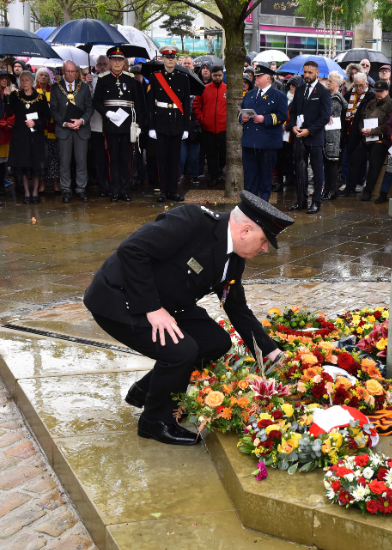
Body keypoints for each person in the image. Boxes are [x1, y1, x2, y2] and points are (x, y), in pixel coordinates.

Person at [83, 191, 294, 445]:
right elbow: (132, 250)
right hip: (121, 299)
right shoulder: (193, 221)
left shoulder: (235, 259)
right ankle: (155, 422)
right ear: (245, 230)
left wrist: (273, 354)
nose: (265, 248)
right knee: (182, 351)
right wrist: (153, 309)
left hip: (166, 303)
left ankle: (147, 389)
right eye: (263, 240)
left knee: (215, 342)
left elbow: (237, 308)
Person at [92, 46, 146, 202]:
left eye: (120, 60)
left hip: (128, 126)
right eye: (114, 60)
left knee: (126, 158)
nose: (117, 63)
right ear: (109, 61)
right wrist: (107, 113)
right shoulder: (103, 79)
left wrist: (139, 126)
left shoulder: (131, 80)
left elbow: (139, 105)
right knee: (113, 158)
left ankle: (125, 190)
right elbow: (96, 102)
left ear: (124, 62)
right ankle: (114, 190)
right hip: (110, 125)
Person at [340, 80, 392, 202]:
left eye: (381, 91)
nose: (378, 94)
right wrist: (362, 130)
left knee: (374, 164)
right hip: (367, 137)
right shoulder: (371, 103)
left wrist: (373, 131)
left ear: (387, 91)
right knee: (355, 158)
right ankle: (350, 187)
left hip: (380, 140)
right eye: (377, 91)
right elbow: (361, 118)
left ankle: (368, 191)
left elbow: (388, 126)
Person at [147, 45, 190, 203]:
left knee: (175, 159)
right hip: (161, 122)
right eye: (167, 57)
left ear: (175, 59)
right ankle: (163, 191)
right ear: (163, 59)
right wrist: (151, 126)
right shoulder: (155, 76)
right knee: (162, 159)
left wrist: (186, 127)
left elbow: (186, 105)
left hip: (177, 123)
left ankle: (174, 190)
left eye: (172, 57)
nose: (170, 59)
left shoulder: (183, 77)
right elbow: (150, 104)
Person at [288, 60, 331, 214]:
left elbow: (325, 117)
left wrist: (309, 130)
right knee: (300, 169)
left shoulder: (323, 92)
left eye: (310, 72)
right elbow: (293, 111)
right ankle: (301, 201)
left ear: (317, 73)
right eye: (305, 72)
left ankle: (316, 202)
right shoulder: (299, 90)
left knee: (317, 171)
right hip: (299, 136)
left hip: (314, 137)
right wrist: (293, 125)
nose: (307, 75)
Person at [239, 63, 287, 201]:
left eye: (259, 76)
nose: (256, 79)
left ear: (268, 78)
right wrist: (242, 117)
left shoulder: (278, 96)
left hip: (267, 143)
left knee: (266, 178)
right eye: (256, 76)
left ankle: (263, 205)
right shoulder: (249, 95)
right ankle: (250, 204)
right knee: (250, 177)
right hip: (249, 142)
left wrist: (265, 119)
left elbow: (282, 116)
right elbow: (240, 111)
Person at [50, 60, 94, 203]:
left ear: (77, 72)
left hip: (81, 129)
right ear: (63, 71)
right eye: (68, 71)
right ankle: (66, 190)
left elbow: (89, 107)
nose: (71, 74)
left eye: (73, 71)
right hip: (64, 130)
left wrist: (82, 121)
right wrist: (64, 123)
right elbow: (54, 110)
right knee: (64, 161)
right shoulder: (56, 87)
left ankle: (81, 189)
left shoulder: (84, 87)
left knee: (81, 161)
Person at [6, 71, 50, 204]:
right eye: (22, 80)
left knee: (36, 165)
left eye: (26, 80)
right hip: (20, 135)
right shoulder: (15, 96)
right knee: (23, 164)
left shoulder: (40, 97)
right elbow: (9, 113)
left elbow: (47, 117)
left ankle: (35, 192)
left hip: (36, 135)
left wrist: (35, 122)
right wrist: (7, 98)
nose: (24, 83)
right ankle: (26, 192)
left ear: (32, 82)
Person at [340, 73, 375, 193]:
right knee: (346, 158)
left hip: (360, 132)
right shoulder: (349, 94)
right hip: (348, 131)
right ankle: (346, 181)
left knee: (360, 160)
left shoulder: (370, 96)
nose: (359, 88)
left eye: (361, 85)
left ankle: (359, 182)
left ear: (366, 84)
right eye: (356, 85)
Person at [193, 65, 227, 188]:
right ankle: (213, 177)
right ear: (212, 75)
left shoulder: (227, 89)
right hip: (208, 128)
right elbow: (196, 105)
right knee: (211, 154)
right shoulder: (204, 89)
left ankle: (219, 169)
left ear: (222, 75)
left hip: (223, 128)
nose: (217, 77)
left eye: (219, 75)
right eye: (215, 75)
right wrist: (202, 120)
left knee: (224, 153)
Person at [35, 68, 61, 195]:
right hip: (39, 129)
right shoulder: (34, 90)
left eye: (46, 75)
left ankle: (55, 182)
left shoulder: (54, 90)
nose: (43, 77)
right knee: (41, 157)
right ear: (37, 77)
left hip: (53, 128)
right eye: (41, 75)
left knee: (54, 156)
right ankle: (42, 183)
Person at [322, 71, 347, 201]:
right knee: (327, 164)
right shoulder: (331, 97)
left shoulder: (336, 98)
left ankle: (331, 190)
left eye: (330, 81)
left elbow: (326, 112)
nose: (328, 83)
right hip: (328, 135)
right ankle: (327, 189)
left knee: (331, 164)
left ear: (336, 84)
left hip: (333, 136)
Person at [88, 55, 110, 197]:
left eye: (104, 64)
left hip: (111, 126)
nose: (102, 66)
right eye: (99, 64)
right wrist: (88, 85)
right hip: (96, 126)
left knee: (111, 159)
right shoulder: (91, 79)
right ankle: (102, 187)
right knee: (99, 159)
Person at [0, 70, 15, 199]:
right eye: (2, 78)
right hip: (1, 130)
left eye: (7, 79)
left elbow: (12, 111)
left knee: (4, 161)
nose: (5, 81)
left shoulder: (11, 93)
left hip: (8, 133)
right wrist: (5, 124)